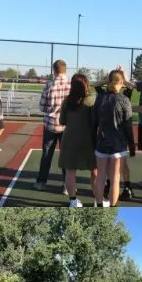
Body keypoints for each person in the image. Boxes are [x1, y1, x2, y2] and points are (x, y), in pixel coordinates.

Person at [93, 70, 135, 207]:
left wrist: (107, 80)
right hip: (119, 144)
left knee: (100, 176)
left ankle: (99, 204)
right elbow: (128, 125)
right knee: (115, 178)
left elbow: (94, 120)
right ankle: (112, 206)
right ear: (122, 82)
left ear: (109, 81)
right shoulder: (124, 100)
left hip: (102, 142)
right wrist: (132, 145)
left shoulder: (100, 98)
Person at [59, 74, 97, 207]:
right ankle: (98, 200)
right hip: (89, 140)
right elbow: (95, 123)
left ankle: (73, 201)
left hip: (69, 139)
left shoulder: (67, 100)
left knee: (70, 171)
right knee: (95, 170)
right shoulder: (91, 101)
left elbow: (62, 121)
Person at [34, 60, 71, 194]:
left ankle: (41, 182)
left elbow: (41, 107)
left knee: (47, 154)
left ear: (54, 70)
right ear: (65, 70)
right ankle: (67, 186)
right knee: (66, 156)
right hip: (67, 126)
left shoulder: (49, 85)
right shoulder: (71, 85)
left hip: (50, 125)